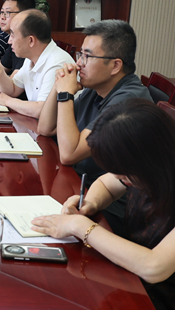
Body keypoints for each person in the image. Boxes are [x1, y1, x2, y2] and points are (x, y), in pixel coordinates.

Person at [31, 99, 175, 310]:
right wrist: (90, 204)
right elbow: (107, 184)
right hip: (132, 279)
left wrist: (80, 226)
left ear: (148, 159)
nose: (120, 178)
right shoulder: (148, 169)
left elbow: (154, 267)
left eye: (124, 175)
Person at [37, 20, 152, 234]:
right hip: (84, 191)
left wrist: (65, 94)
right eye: (80, 54)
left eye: (87, 57)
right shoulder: (96, 87)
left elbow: (69, 154)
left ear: (115, 66)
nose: (78, 63)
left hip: (115, 211)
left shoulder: (128, 100)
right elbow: (45, 128)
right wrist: (59, 84)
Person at [0, 9, 73, 118]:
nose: (9, 41)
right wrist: (0, 73)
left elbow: (41, 110)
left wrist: (7, 101)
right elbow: (13, 89)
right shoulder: (31, 58)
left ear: (31, 40)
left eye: (12, 35)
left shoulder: (56, 63)